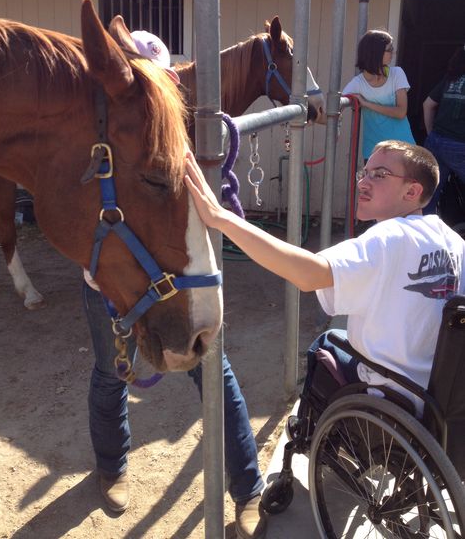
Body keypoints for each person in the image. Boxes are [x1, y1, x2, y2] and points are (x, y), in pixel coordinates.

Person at [84, 31, 266, 539]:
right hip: (112, 281)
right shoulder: (102, 138)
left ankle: (248, 488)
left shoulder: (180, 141)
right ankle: (112, 465)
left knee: (214, 373)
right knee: (110, 372)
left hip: (177, 280)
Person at [185, 140, 465, 416]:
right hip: (441, 402)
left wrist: (221, 218)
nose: (363, 183)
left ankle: (311, 433)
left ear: (412, 191)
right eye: (364, 173)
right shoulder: (454, 243)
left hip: (390, 399)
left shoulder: (388, 238)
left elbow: (310, 275)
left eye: (380, 175)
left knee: (327, 343)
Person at [343, 29, 415, 161]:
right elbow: (337, 105)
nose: (393, 52)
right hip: (374, 152)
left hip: (403, 149)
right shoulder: (358, 83)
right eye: (389, 49)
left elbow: (401, 112)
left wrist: (367, 104)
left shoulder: (397, 73)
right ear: (376, 52)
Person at [423, 45, 465, 215]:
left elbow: (428, 105)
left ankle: (422, 235)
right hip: (460, 144)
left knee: (428, 194)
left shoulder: (451, 79)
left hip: (435, 141)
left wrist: (431, 134)